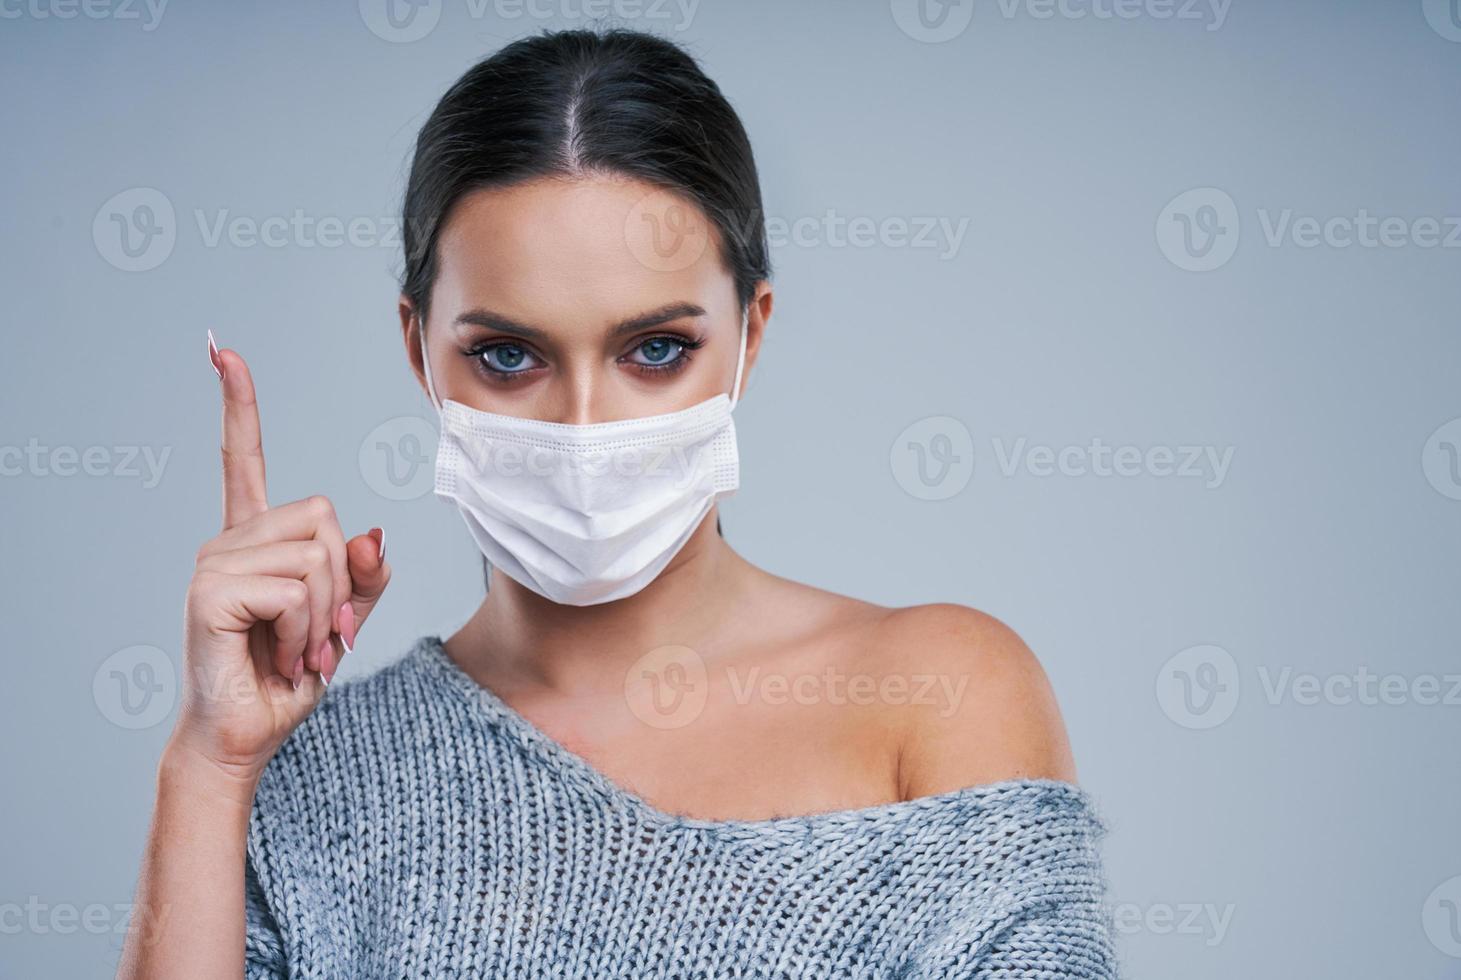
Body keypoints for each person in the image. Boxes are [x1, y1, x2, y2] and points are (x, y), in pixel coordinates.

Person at [117, 28, 1116, 979]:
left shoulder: (936, 695)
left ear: (751, 336)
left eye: (656, 350)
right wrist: (209, 763)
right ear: (419, 346)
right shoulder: (311, 779)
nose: (587, 428)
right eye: (508, 355)